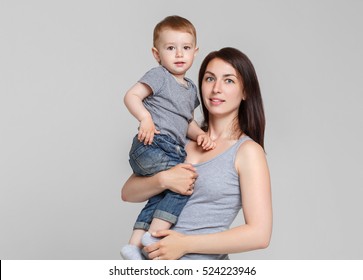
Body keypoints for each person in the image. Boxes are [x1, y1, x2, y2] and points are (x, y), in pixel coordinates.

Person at [121, 47, 272, 260]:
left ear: (245, 91)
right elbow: (128, 193)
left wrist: (184, 245)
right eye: (210, 79)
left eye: (229, 81)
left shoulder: (247, 152)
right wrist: (164, 179)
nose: (216, 88)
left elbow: (259, 234)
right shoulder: (178, 140)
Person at [120, 15, 215, 260]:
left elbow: (187, 122)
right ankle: (155, 235)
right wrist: (145, 119)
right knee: (184, 180)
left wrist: (201, 134)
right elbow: (131, 96)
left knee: (163, 190)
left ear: (195, 51)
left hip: (168, 148)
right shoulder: (159, 75)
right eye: (170, 48)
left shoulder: (191, 89)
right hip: (152, 144)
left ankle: (133, 245)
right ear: (157, 53)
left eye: (185, 48)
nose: (179, 54)